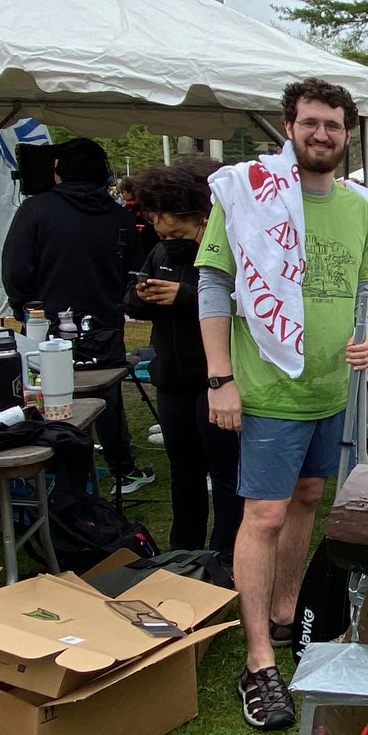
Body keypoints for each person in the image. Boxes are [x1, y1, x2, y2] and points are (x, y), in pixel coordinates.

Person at [197, 78, 368, 731]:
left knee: (308, 497)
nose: (322, 134)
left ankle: (283, 615)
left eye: (333, 125)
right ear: (290, 126)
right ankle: (256, 663)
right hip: (268, 389)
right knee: (266, 512)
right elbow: (213, 287)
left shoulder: (359, 210)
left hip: (329, 390)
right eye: (311, 123)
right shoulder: (252, 196)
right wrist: (220, 377)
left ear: (347, 134)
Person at [1, 137, 152, 494]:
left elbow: (15, 269)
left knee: (52, 393)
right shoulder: (118, 216)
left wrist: (26, 305)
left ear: (58, 171)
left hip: (47, 325)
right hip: (102, 323)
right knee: (105, 396)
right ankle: (118, 467)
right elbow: (134, 273)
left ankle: (64, 469)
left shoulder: (36, 210)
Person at [123, 160, 242, 571]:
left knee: (225, 471)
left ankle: (225, 551)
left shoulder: (225, 244)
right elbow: (131, 303)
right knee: (183, 469)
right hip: (171, 377)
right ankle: (183, 548)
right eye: (153, 216)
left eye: (163, 216)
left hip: (215, 379)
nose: (157, 224)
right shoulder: (160, 250)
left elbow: (237, 305)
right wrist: (143, 295)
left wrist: (184, 295)